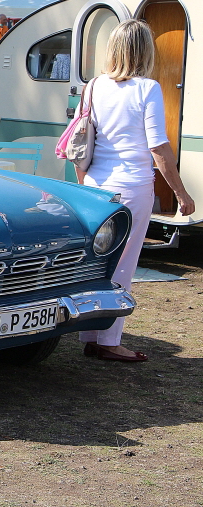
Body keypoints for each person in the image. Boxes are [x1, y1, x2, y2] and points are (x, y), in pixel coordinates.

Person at [77, 19, 194, 362]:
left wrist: (84, 183)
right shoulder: (148, 88)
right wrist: (182, 195)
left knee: (98, 264)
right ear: (144, 50)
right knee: (123, 266)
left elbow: (81, 139)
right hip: (132, 186)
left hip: (97, 186)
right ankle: (109, 342)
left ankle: (91, 334)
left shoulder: (94, 85)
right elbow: (158, 148)